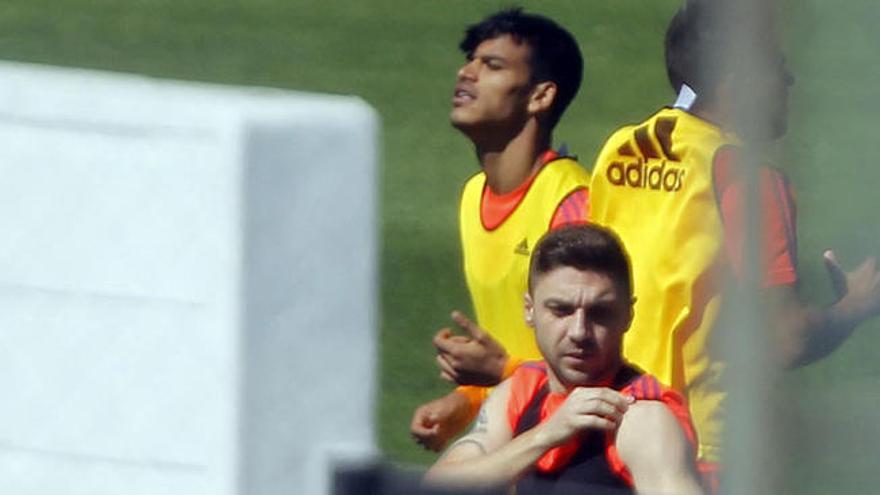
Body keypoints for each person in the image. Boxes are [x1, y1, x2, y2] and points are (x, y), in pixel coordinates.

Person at [587, 0, 880, 488]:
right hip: (702, 450)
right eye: (778, 68)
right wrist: (855, 305)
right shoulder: (748, 176)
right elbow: (783, 339)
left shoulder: (621, 149)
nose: (789, 83)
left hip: (612, 432)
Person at [410, 8, 591, 451]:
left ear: (540, 96)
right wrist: (466, 399)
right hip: (519, 444)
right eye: (470, 60)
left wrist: (501, 372)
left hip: (575, 458)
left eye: (491, 65)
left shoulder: (572, 208)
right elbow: (517, 347)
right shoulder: (474, 196)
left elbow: (600, 371)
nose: (466, 73)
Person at [424, 225, 704, 495]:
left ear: (628, 315)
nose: (579, 331)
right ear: (529, 310)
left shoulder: (642, 419)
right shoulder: (523, 391)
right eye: (561, 310)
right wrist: (547, 435)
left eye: (600, 313)